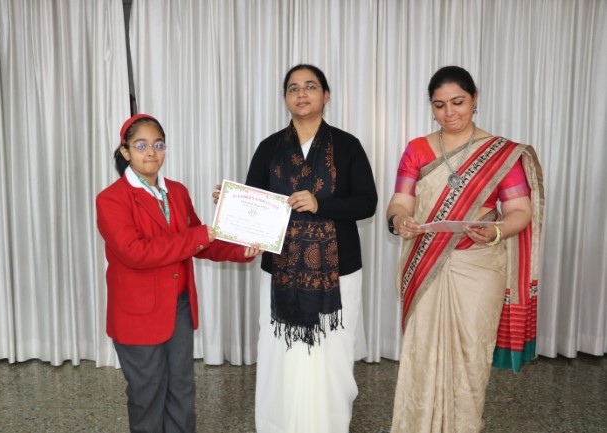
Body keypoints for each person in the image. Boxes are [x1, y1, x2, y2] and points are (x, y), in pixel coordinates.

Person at [386, 66, 544, 432]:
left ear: (475, 99)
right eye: (439, 105)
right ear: (431, 107)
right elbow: (400, 202)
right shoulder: (417, 149)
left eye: (458, 102)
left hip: (480, 266)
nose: (449, 112)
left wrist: (496, 231)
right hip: (425, 261)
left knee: (472, 355)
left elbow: (520, 211)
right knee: (423, 352)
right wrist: (399, 220)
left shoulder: (500, 153)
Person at [96, 114, 261, 433]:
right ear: (125, 151)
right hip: (138, 314)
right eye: (140, 145)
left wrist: (241, 249)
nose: (151, 152)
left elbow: (200, 243)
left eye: (158, 145)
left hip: (179, 307)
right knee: (147, 394)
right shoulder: (111, 199)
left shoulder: (177, 191)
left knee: (182, 389)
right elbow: (135, 253)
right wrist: (198, 236)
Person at [245, 64, 378, 433]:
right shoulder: (269, 148)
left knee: (331, 354)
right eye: (293, 88)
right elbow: (255, 201)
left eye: (310, 86)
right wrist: (236, 209)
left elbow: (367, 202)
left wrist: (321, 204)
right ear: (285, 98)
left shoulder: (347, 146)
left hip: (338, 272)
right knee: (279, 353)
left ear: (326, 95)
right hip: (280, 270)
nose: (301, 94)